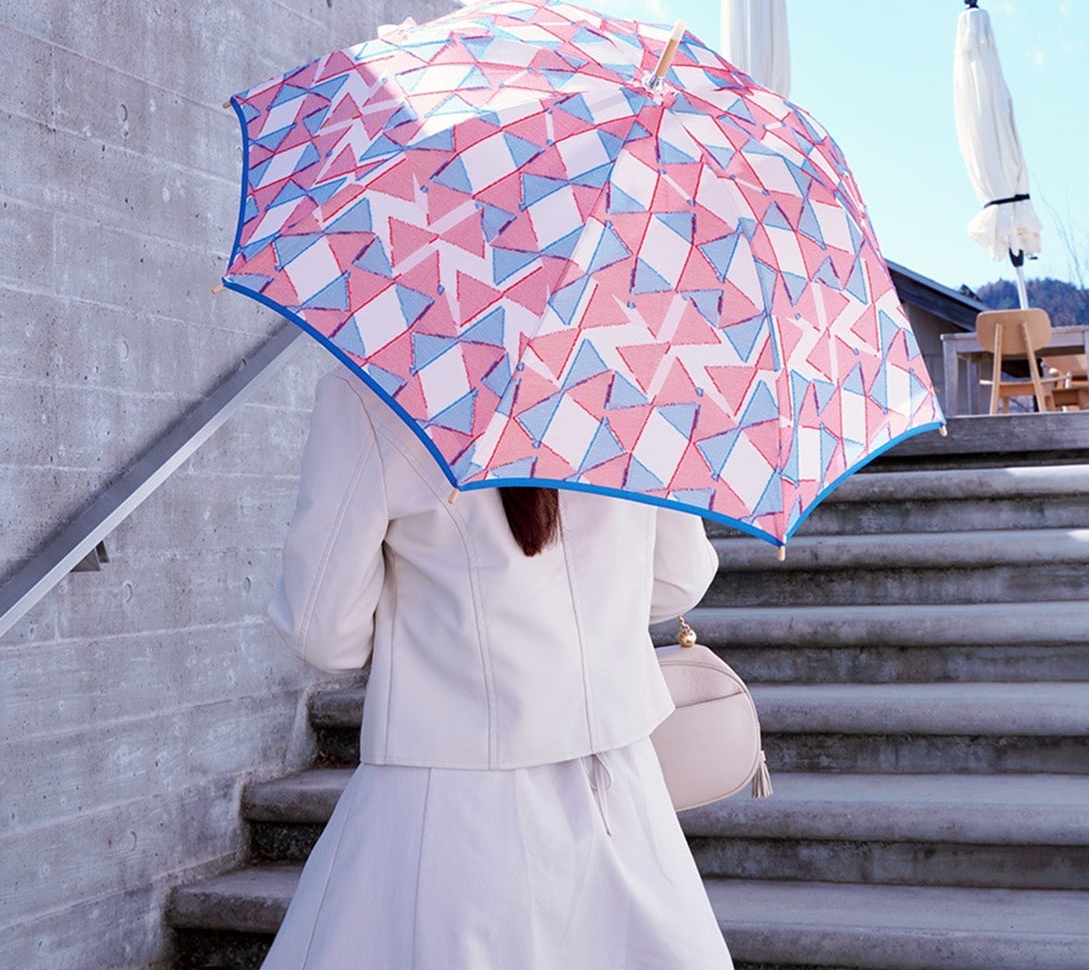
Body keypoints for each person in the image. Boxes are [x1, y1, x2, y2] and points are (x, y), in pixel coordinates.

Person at [260, 367, 734, 969]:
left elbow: (323, 632)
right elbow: (679, 577)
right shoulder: (638, 373)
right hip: (615, 784)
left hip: (449, 795)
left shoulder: (372, 389)